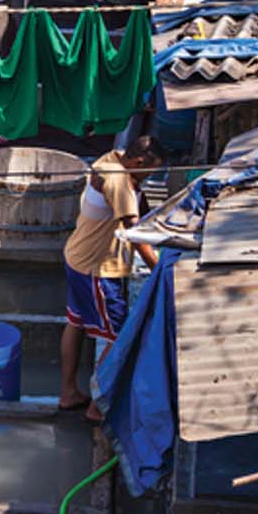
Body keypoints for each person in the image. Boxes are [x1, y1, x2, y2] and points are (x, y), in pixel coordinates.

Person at [59, 137, 164, 418]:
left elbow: (140, 207)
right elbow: (135, 233)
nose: (149, 178)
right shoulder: (118, 182)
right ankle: (97, 407)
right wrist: (161, 270)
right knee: (118, 338)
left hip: (76, 257)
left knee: (76, 323)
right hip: (98, 269)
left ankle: (68, 392)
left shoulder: (112, 158)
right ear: (138, 163)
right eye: (149, 172)